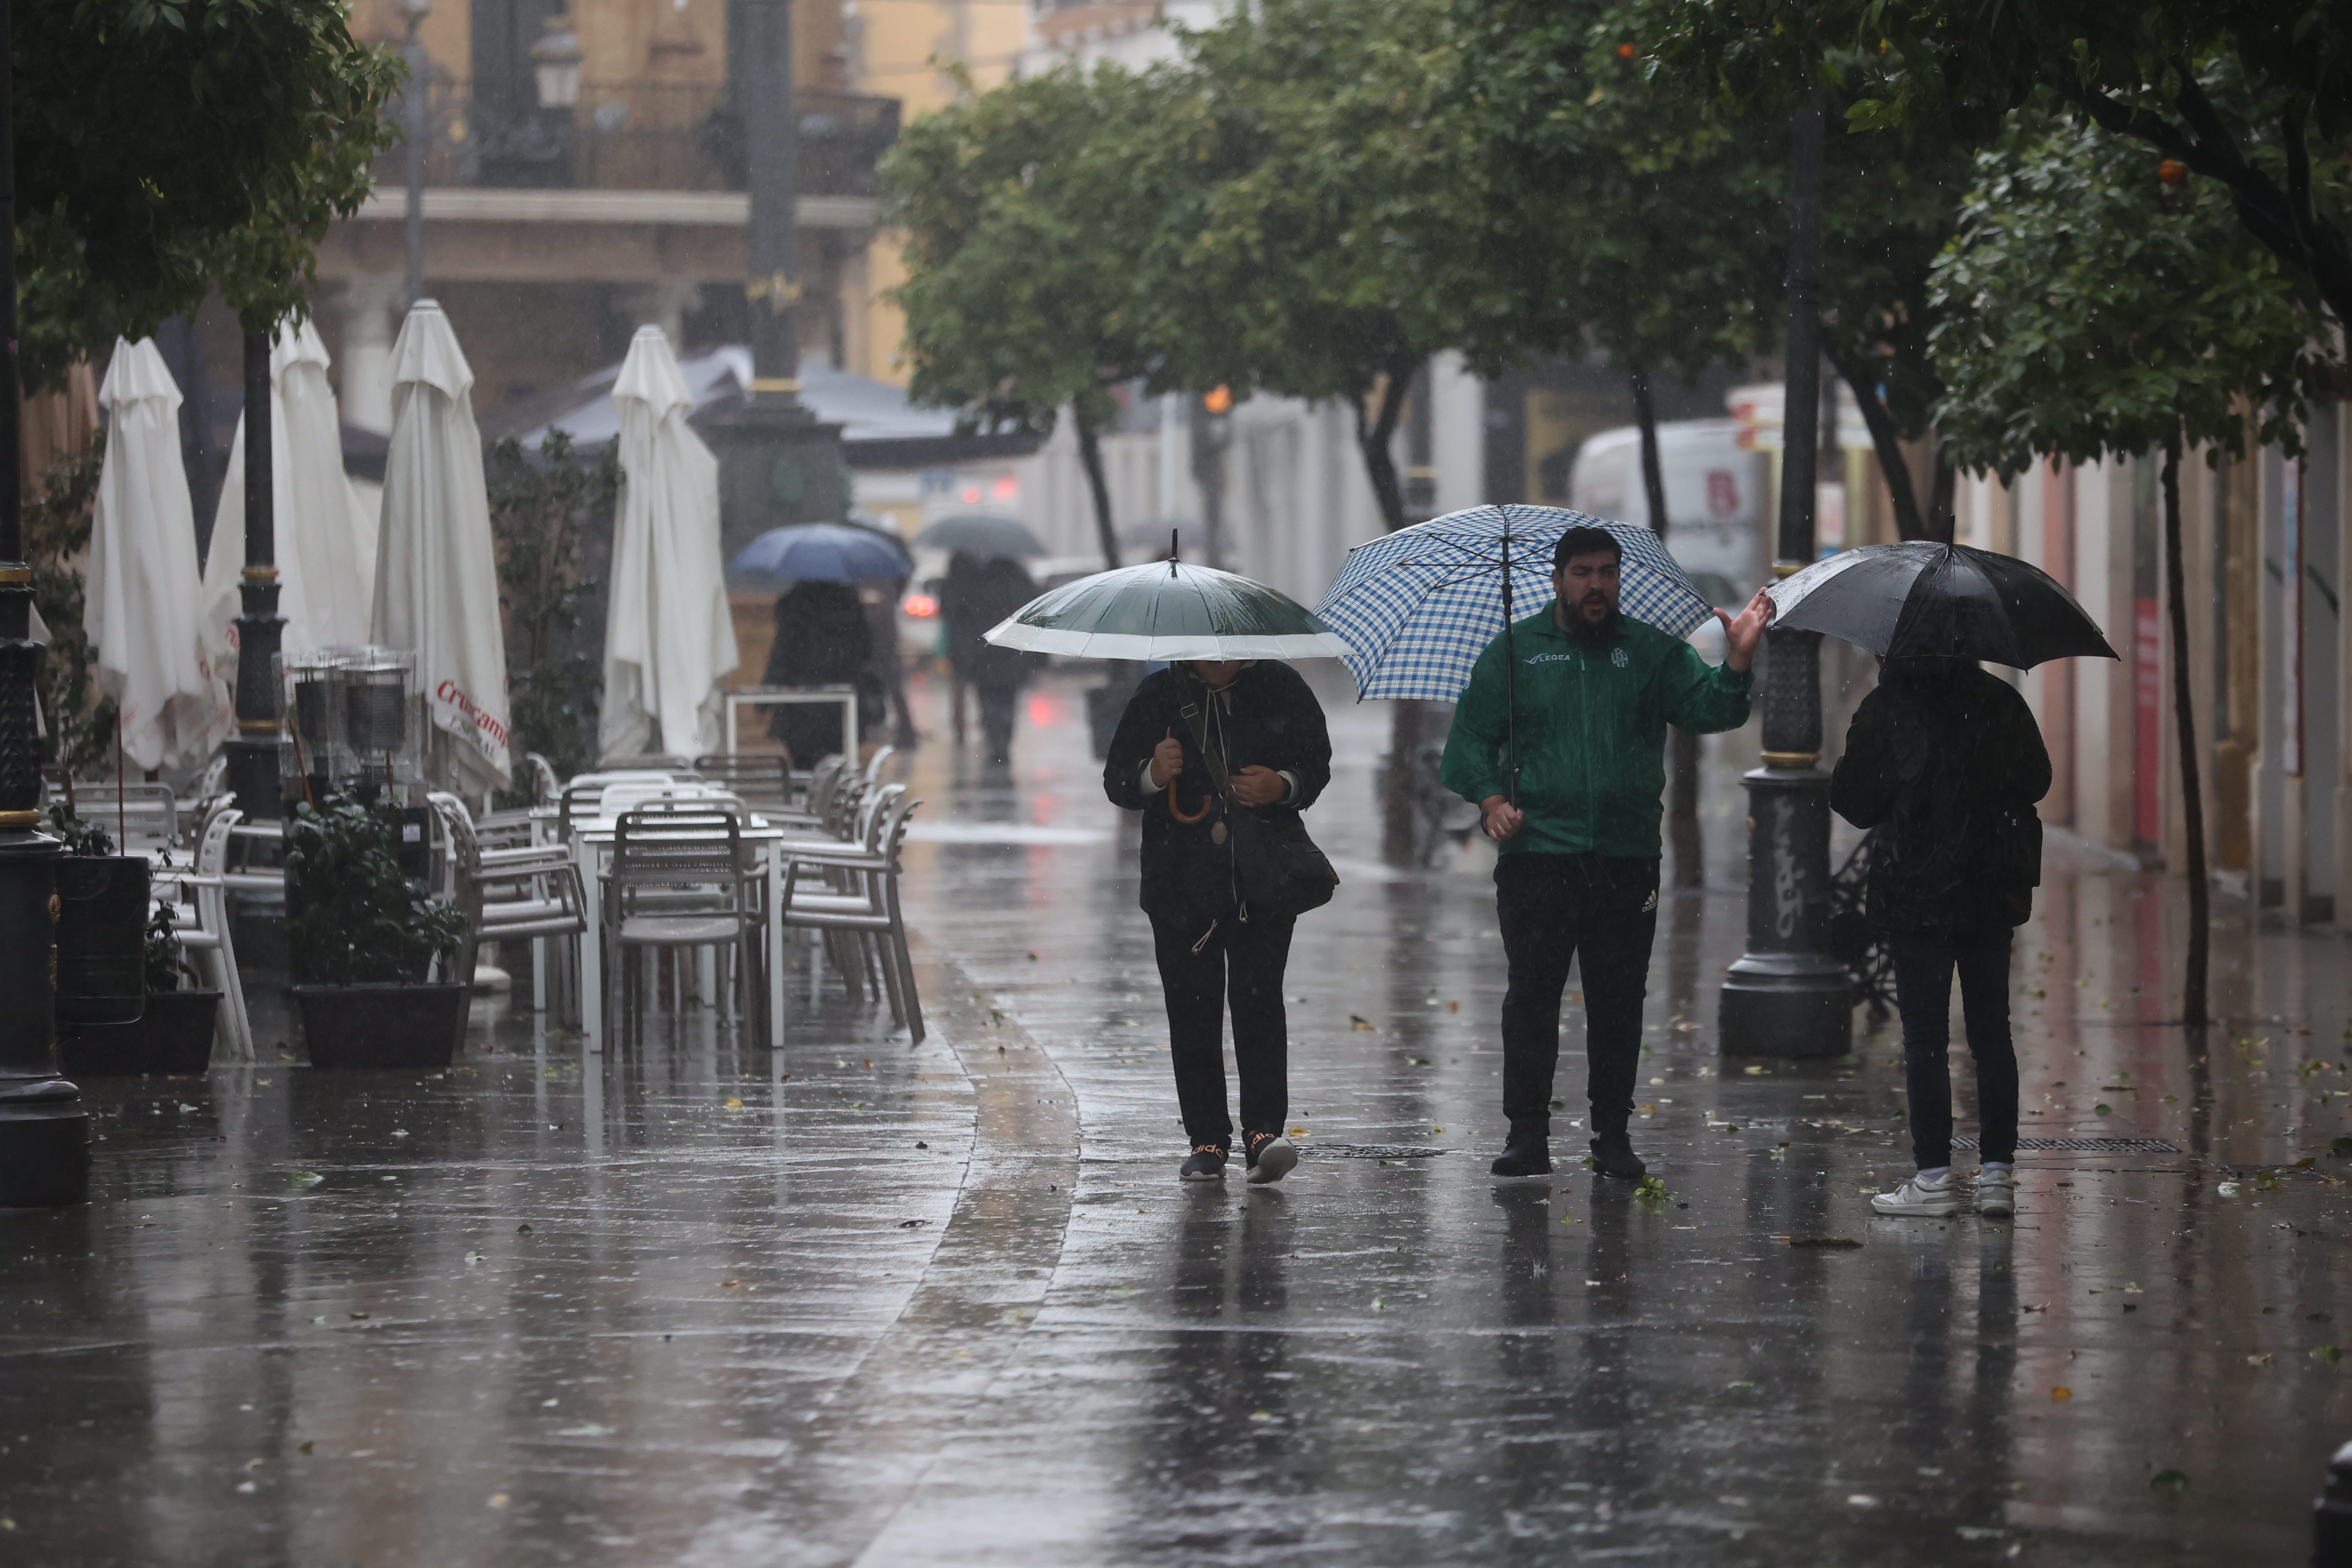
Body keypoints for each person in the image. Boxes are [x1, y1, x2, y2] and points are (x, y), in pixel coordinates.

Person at [1441, 525, 1770, 1182]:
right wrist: (1489, 801)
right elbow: (1467, 746)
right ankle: (1526, 1135)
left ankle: (1612, 1136)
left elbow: (1711, 711)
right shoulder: (1513, 653)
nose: (1598, 586)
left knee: (1618, 999)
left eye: (1608, 573)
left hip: (1625, 859)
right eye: (1584, 573)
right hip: (1538, 858)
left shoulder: (1649, 652)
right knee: (1531, 996)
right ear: (1558, 579)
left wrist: (1735, 663)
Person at [1831, 655, 2051, 1220]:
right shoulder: (2001, 701)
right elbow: (2037, 779)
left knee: (1926, 1036)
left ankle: (1932, 1179)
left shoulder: (1888, 709)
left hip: (1915, 894)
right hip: (1988, 890)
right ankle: (1997, 1175)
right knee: (1991, 1032)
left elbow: (1852, 802)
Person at [1105, 658, 1331, 1184]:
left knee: (1259, 1005)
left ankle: (1263, 1134)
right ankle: (1207, 1140)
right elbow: (1118, 780)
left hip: (1262, 882)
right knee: (1192, 1012)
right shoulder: (1159, 694)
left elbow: (1315, 764)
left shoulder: (1280, 687)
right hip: (1179, 885)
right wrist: (1152, 773)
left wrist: (1283, 785)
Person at [762, 579, 881, 764]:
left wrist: (765, 699)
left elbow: (782, 654)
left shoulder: (796, 605)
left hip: (800, 707)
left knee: (803, 768)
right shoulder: (850, 606)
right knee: (837, 768)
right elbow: (866, 652)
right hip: (840, 705)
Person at [940, 551, 1040, 764]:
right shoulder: (1022, 584)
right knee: (1009, 700)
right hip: (1014, 652)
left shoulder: (979, 584)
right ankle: (1004, 740)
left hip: (985, 654)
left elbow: (966, 618)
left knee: (988, 699)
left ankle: (995, 740)